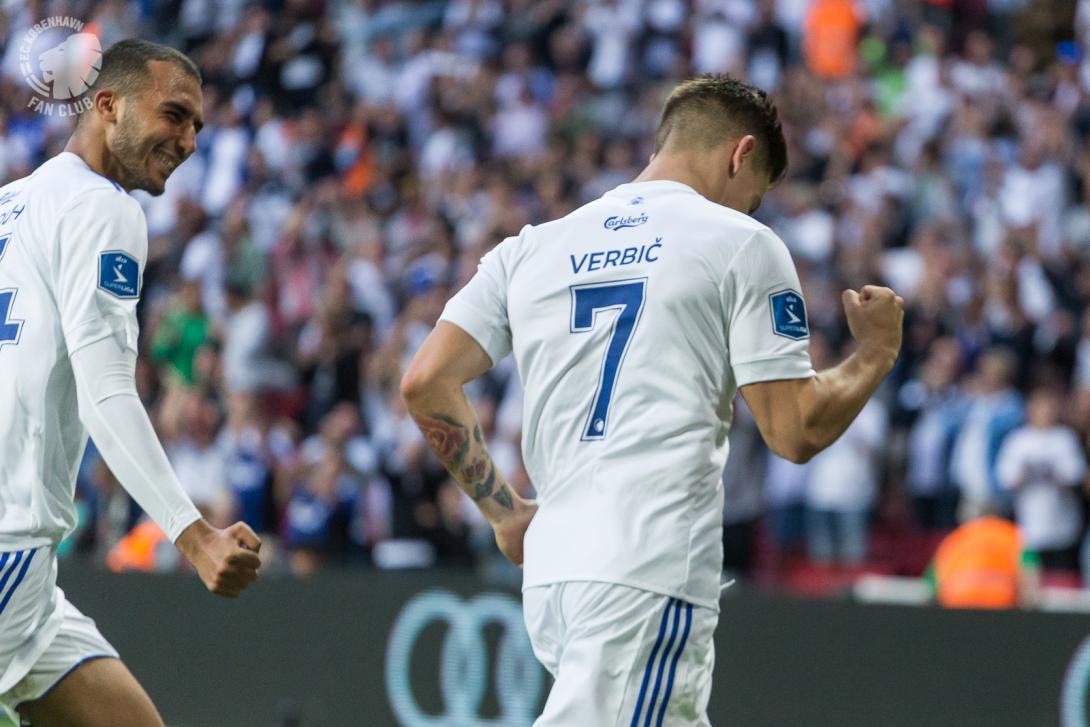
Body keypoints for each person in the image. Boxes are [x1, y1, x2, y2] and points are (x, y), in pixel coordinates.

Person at [401, 74, 903, 725]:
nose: (749, 211)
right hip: (646, 565)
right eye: (754, 197)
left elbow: (425, 381)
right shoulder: (741, 243)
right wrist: (875, 354)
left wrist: (503, 513)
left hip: (555, 577)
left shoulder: (530, 249)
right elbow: (795, 428)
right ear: (741, 154)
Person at [0, 40, 261, 726]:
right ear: (108, 105)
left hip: (27, 572)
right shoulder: (103, 209)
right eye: (174, 115)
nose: (189, 141)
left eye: (197, 126)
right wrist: (194, 535)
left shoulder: (12, 203)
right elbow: (107, 390)